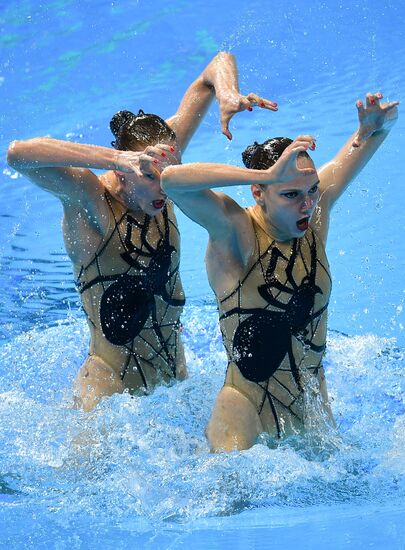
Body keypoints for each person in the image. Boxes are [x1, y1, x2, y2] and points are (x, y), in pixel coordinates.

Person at [7, 52, 277, 412]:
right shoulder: (92, 201)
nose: (163, 186)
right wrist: (115, 158)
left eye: (168, 172)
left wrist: (227, 93)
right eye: (148, 176)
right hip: (107, 393)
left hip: (174, 380)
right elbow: (18, 154)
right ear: (124, 170)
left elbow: (217, 64)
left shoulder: (163, 167)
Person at [161, 92, 399, 451]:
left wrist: (370, 128)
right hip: (244, 416)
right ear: (259, 192)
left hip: (311, 412)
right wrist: (266, 172)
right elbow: (171, 180)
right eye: (290, 194)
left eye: (312, 190)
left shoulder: (315, 218)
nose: (307, 204)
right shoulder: (236, 232)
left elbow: (381, 132)